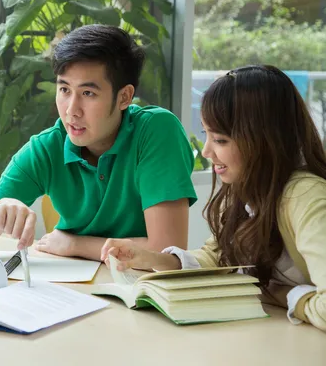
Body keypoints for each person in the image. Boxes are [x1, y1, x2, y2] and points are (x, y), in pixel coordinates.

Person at [101, 65, 326, 331]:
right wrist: (151, 259)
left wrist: (286, 295)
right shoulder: (250, 188)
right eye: (207, 134)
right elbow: (217, 256)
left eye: (220, 140)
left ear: (263, 141)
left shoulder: (306, 196)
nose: (207, 151)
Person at [0, 24, 197, 260]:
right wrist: (1, 208)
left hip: (142, 290)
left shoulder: (156, 131)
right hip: (75, 290)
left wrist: (75, 244)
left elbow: (167, 251)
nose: (72, 110)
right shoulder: (47, 148)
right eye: (64, 90)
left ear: (124, 97)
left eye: (88, 93)